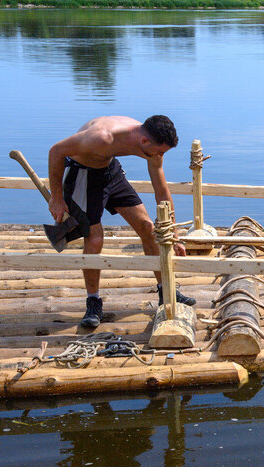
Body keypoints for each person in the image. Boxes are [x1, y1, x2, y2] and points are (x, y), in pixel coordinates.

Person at [48, 115, 196, 329]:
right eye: (160, 152)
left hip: (110, 171)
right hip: (83, 174)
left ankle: (166, 291)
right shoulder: (102, 138)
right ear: (145, 142)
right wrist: (57, 198)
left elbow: (161, 191)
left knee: (148, 227)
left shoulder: (151, 144)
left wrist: (173, 234)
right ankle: (93, 301)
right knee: (95, 238)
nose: (160, 156)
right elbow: (56, 151)